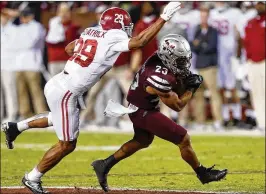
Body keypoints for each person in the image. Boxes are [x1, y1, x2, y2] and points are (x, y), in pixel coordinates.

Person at [2, 3, 183, 193]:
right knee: (67, 144)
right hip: (67, 91)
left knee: (59, 119)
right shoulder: (114, 35)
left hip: (58, 83)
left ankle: (16, 127)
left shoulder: (91, 31)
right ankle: (32, 177)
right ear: (118, 25)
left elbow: (70, 49)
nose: (127, 29)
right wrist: (164, 17)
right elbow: (139, 42)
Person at [92, 34, 227, 192]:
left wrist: (183, 81)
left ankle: (104, 165)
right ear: (168, 58)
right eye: (179, 60)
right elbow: (177, 106)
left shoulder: (159, 58)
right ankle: (202, 173)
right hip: (142, 111)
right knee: (183, 139)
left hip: (142, 105)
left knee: (143, 140)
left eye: (184, 59)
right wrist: (190, 89)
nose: (184, 63)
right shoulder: (159, 77)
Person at [209, 2, 244, 128]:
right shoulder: (211, 14)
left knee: (233, 87)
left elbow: (240, 35)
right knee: (221, 88)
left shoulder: (235, 13)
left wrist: (238, 53)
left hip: (231, 55)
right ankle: (225, 116)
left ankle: (237, 116)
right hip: (217, 55)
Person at [190, 6, 222, 130]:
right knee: (198, 95)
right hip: (199, 65)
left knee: (214, 93)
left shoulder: (213, 30)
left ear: (208, 16)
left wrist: (200, 44)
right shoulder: (197, 30)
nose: (203, 18)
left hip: (210, 66)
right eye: (201, 15)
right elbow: (193, 46)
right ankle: (200, 122)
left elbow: (211, 47)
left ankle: (218, 121)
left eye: (205, 15)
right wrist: (201, 44)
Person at [13, 7, 48, 119]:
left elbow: (29, 43)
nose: (22, 18)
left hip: (33, 65)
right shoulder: (20, 28)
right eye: (22, 16)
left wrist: (18, 44)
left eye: (25, 16)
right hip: (19, 64)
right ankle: (25, 115)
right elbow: (12, 45)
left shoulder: (37, 26)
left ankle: (41, 115)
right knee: (21, 92)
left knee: (36, 91)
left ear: (31, 16)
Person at [244, 1, 265, 130]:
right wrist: (248, 60)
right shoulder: (250, 22)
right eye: (257, 4)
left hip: (264, 62)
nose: (259, 6)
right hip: (252, 63)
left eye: (261, 4)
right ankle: (262, 123)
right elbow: (246, 43)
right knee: (256, 94)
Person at [46, 2, 80, 76]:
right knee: (54, 85)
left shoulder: (74, 27)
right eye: (61, 11)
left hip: (68, 61)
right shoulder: (52, 25)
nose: (64, 14)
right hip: (54, 60)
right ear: (58, 13)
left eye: (66, 11)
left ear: (70, 13)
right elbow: (49, 42)